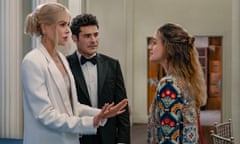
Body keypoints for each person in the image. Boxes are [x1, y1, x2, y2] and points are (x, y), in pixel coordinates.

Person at [21, 2, 128, 144]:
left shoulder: (61, 59)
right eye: (62, 24)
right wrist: (91, 121)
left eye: (68, 24)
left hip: (69, 140)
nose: (68, 30)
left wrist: (101, 114)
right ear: (44, 28)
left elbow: (72, 106)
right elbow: (44, 114)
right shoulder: (32, 61)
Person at [67, 13, 130, 144]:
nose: (93, 40)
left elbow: (122, 107)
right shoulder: (65, 65)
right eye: (87, 36)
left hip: (108, 136)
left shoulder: (112, 65)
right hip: (79, 136)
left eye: (96, 35)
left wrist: (123, 141)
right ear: (74, 38)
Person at [147, 23, 207, 144]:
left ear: (169, 48)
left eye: (154, 42)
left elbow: (169, 140)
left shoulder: (169, 84)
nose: (150, 47)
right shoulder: (185, 82)